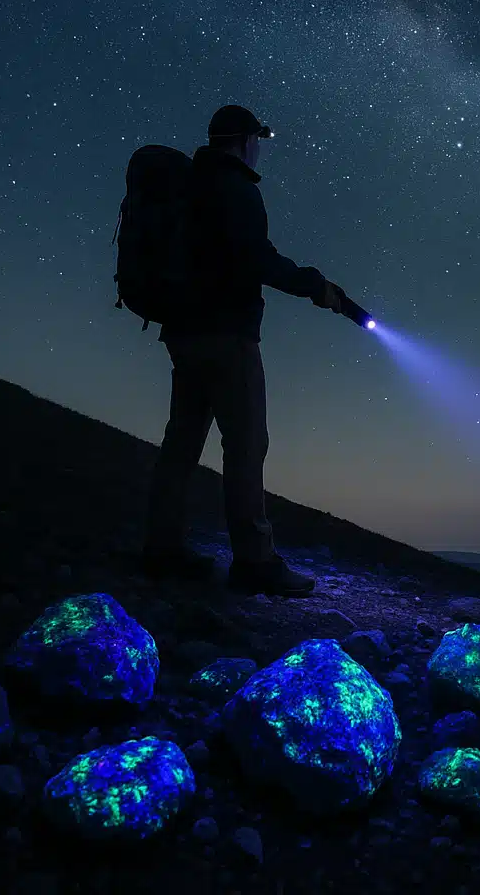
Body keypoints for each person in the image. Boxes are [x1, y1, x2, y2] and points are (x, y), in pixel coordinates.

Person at [138, 104, 345, 595]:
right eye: (258, 138)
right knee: (247, 446)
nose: (260, 147)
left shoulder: (192, 185)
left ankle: (161, 549)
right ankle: (255, 562)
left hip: (184, 334)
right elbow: (259, 261)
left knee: (181, 443)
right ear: (244, 140)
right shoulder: (236, 189)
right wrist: (315, 285)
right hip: (227, 336)